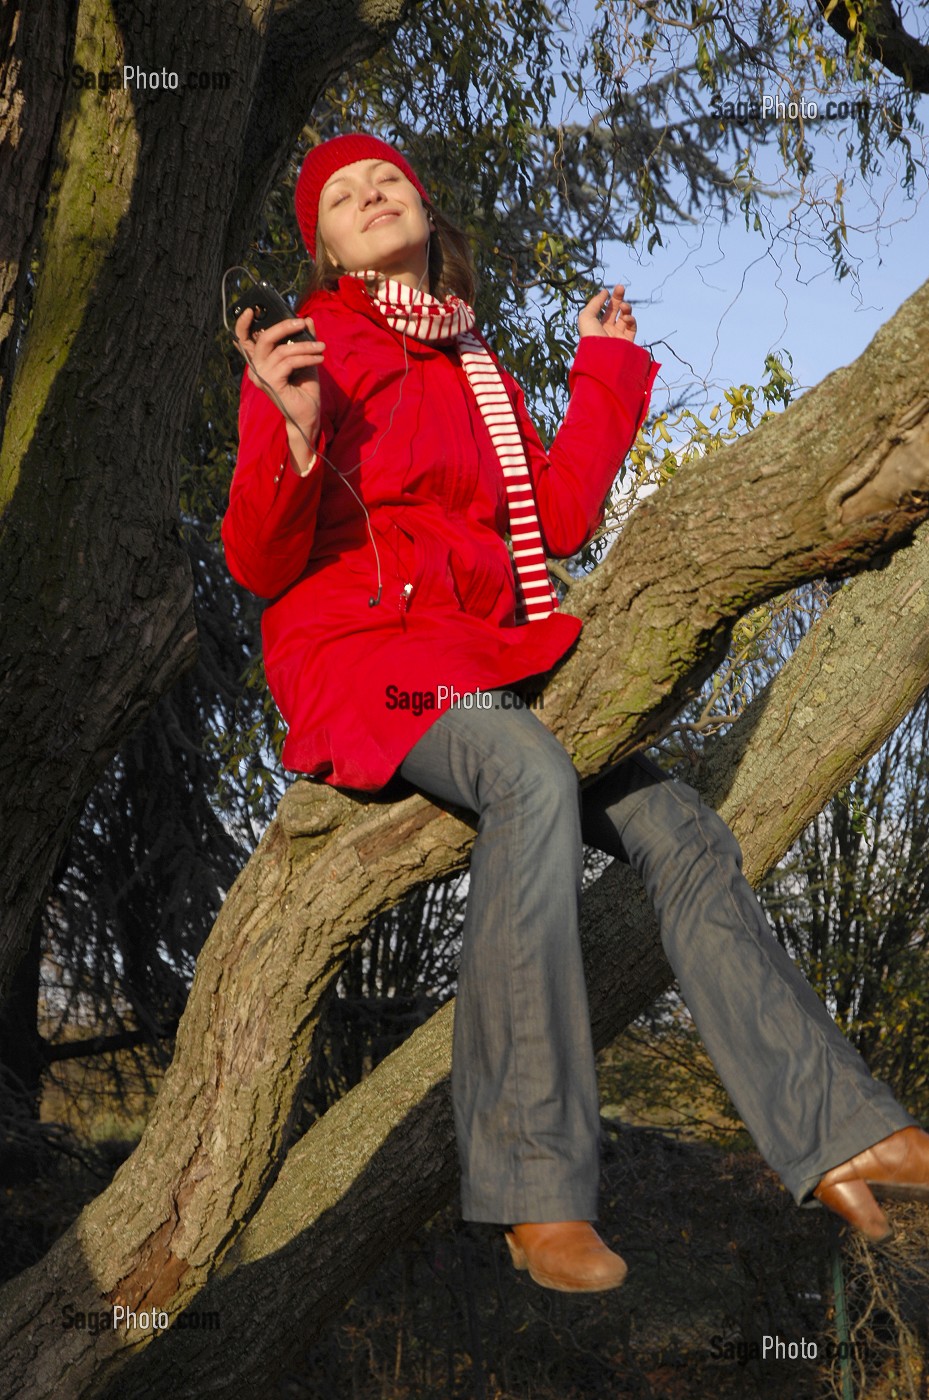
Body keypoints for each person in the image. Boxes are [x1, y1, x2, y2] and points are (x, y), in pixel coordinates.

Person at [223, 132, 929, 1293]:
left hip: (494, 656)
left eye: (385, 179)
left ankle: (834, 1125)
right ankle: (532, 1186)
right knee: (524, 769)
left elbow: (552, 522)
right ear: (326, 244)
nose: (367, 195)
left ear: (420, 204)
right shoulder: (312, 348)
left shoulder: (477, 366)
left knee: (682, 828)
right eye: (341, 197)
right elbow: (258, 558)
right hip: (370, 661)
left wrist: (601, 369)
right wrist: (292, 432)